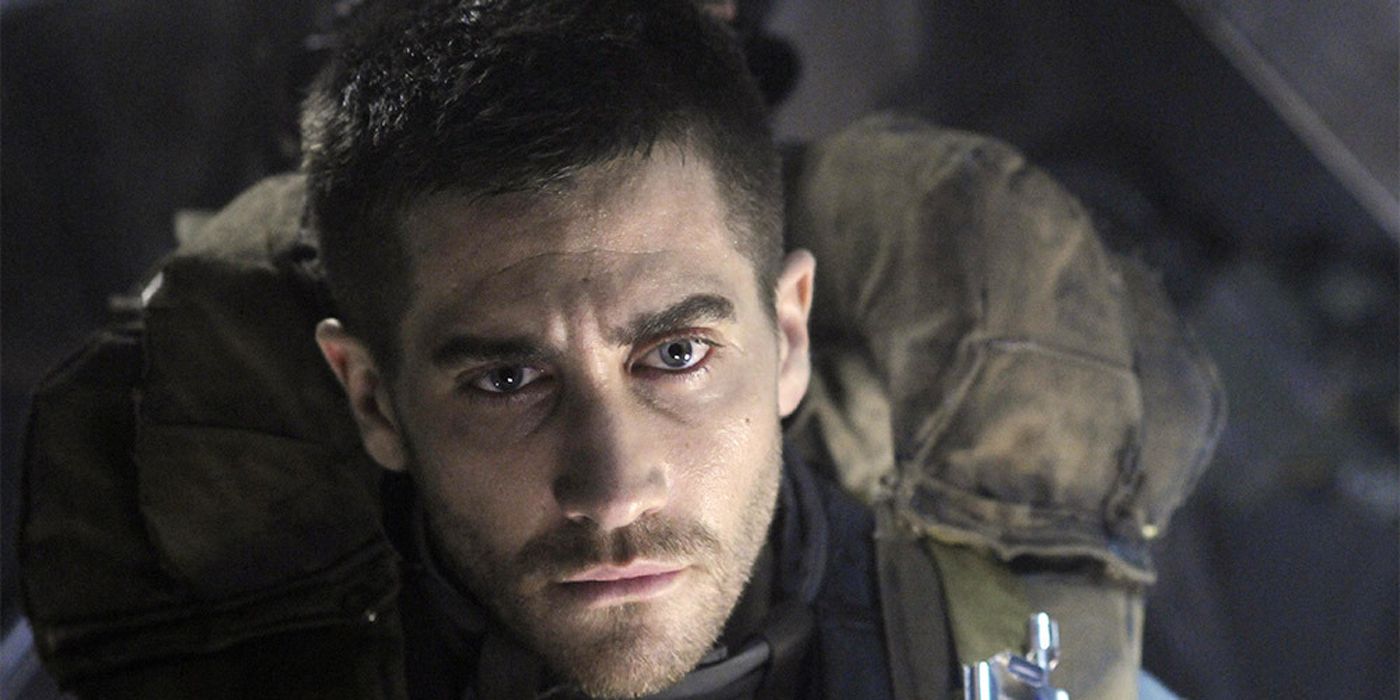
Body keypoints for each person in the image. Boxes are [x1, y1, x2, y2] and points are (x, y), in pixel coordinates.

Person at [18, 1, 1222, 698]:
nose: (609, 486)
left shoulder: (992, 656)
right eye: (506, 378)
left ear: (786, 331)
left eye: (674, 355)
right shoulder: (179, 617)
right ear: (371, 398)